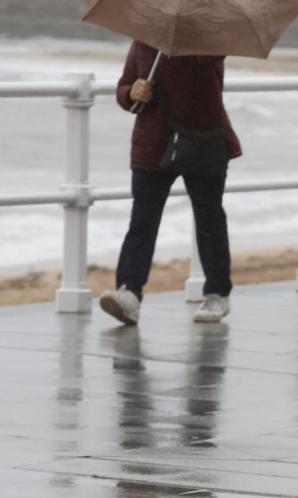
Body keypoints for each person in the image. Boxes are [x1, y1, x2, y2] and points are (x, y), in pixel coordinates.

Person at [98, 42, 240, 325]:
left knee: (209, 215)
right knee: (143, 218)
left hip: (203, 138)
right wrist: (132, 92)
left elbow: (207, 74)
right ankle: (129, 292)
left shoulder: (209, 42)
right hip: (153, 141)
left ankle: (217, 294)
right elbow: (124, 86)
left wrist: (176, 53)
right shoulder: (144, 41)